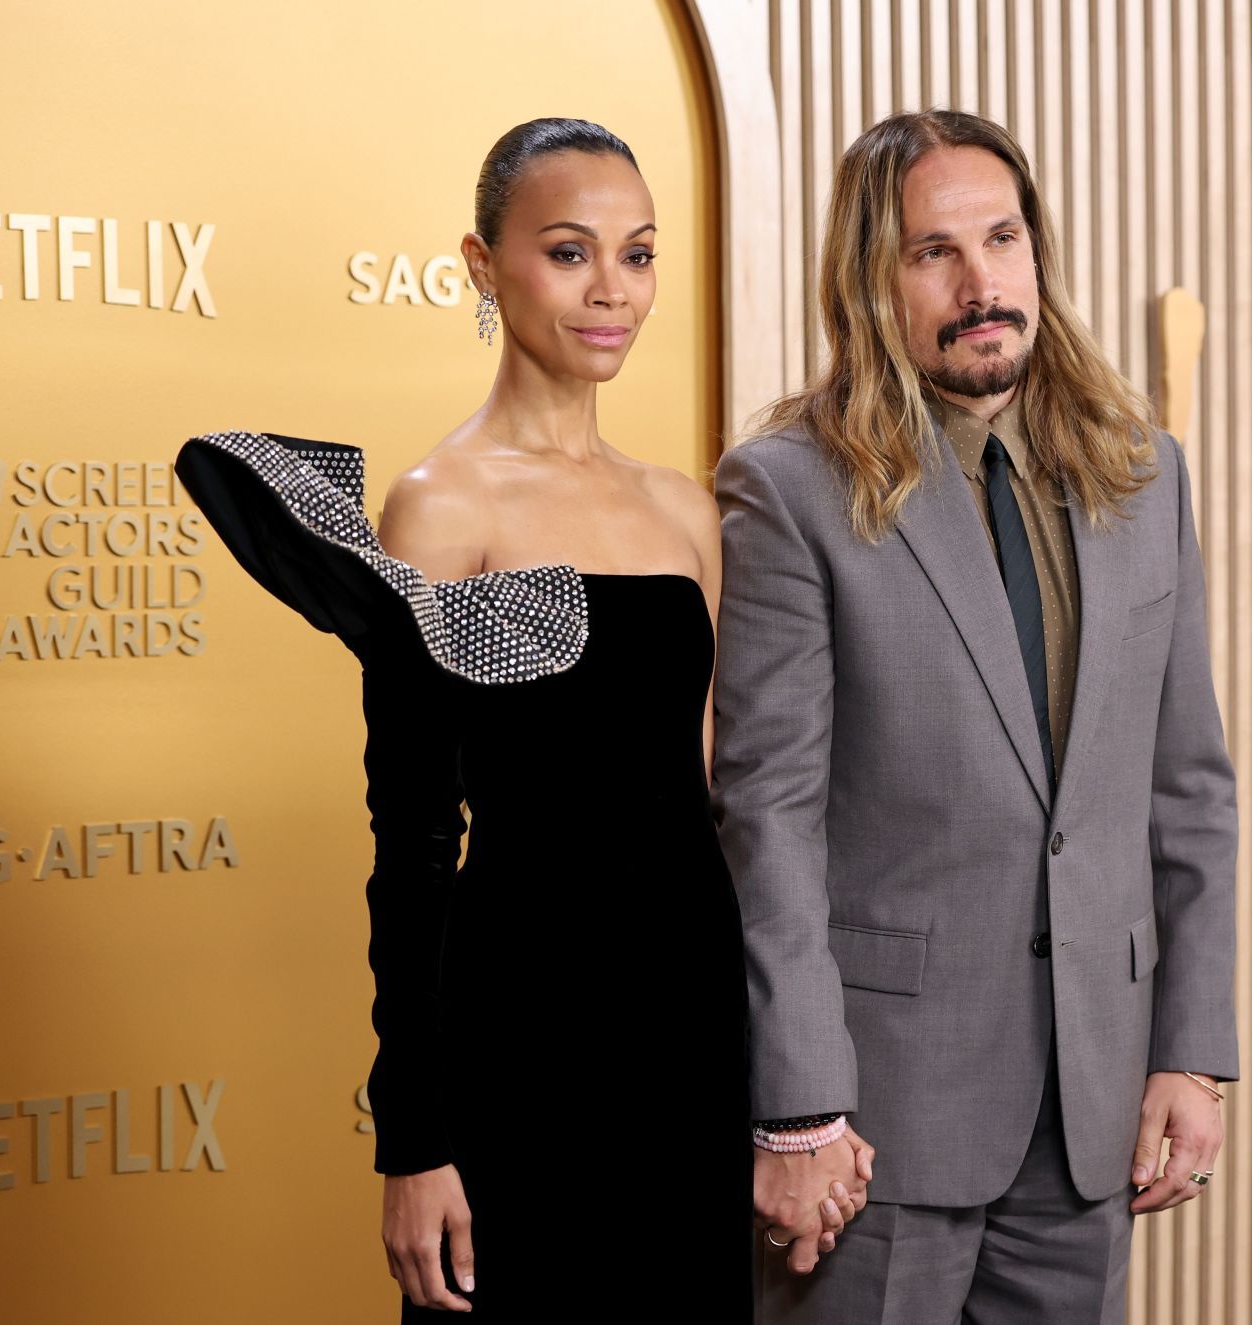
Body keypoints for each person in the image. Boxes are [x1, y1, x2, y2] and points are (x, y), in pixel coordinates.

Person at [176, 118, 827, 1319]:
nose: (613, 292)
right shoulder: (439, 505)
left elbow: (723, 804)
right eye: (571, 252)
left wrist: (785, 1083)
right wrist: (412, 1143)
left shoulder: (688, 511)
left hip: (687, 1031)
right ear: (484, 266)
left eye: (637, 255)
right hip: (520, 1031)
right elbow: (412, 844)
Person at [712, 109, 1240, 1323]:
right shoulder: (791, 488)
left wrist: (1192, 1048)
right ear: (869, 282)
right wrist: (798, 1104)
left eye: (1001, 239)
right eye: (931, 252)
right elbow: (769, 815)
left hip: (1091, 1111)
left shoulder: (1143, 475)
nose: (980, 282)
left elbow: (1188, 788)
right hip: (875, 1128)